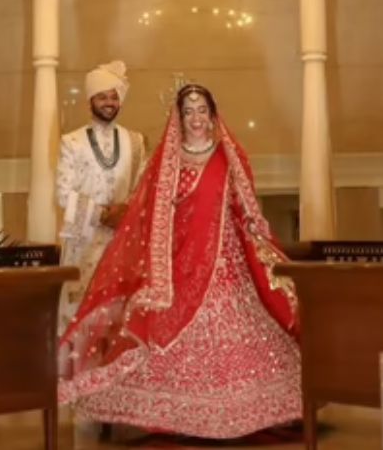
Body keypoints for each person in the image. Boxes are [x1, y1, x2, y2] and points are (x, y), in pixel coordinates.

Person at [58, 83, 302, 440]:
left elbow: (245, 208)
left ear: (213, 114)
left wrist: (256, 237)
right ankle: (172, 414)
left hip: (226, 262)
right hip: (179, 262)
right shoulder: (167, 162)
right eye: (189, 112)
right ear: (179, 118)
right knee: (163, 323)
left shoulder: (230, 156)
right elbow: (153, 215)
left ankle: (248, 409)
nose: (197, 118)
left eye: (202, 110)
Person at [56, 60, 147, 334]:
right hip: (83, 241)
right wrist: (103, 214)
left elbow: (143, 187)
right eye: (102, 96)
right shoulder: (71, 142)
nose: (109, 102)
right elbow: (63, 193)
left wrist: (126, 213)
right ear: (89, 101)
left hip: (122, 239)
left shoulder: (136, 141)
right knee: (81, 314)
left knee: (121, 314)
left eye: (113, 96)